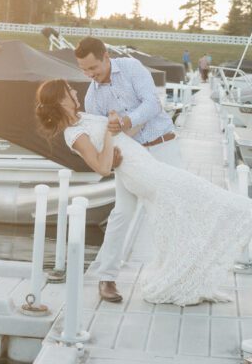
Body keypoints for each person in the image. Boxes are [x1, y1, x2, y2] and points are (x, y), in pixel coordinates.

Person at [35, 79, 252, 307]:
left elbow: (119, 138)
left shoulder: (83, 118)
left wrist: (117, 125)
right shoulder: (74, 133)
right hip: (140, 173)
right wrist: (111, 139)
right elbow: (100, 166)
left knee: (191, 203)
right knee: (202, 191)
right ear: (60, 99)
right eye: (69, 90)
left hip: (144, 164)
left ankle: (186, 274)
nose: (74, 91)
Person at [73, 36, 182, 303]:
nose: (90, 75)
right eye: (84, 70)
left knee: (172, 208)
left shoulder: (132, 68)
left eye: (93, 68)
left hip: (163, 146)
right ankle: (106, 278)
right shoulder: (92, 97)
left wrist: (125, 121)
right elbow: (104, 138)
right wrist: (115, 153)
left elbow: (152, 104)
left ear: (105, 57)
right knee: (121, 213)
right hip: (131, 157)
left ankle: (174, 274)